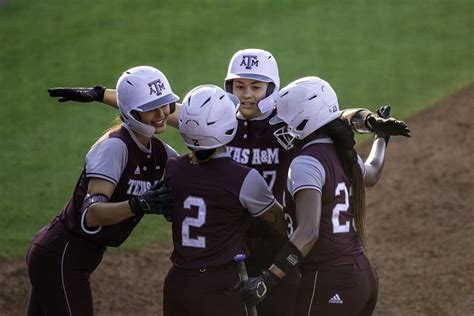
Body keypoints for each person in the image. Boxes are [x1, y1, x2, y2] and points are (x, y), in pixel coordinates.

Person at [47, 49, 410, 316]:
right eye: (239, 85)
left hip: (277, 245)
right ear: (228, 87)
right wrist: (102, 94)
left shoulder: (288, 122)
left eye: (257, 87)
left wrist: (365, 119)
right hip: (233, 245)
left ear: (273, 90)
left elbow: (331, 115)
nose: (247, 94)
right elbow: (158, 110)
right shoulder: (216, 121)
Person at [236, 76, 411, 316]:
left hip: (328, 281)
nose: (283, 127)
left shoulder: (305, 163)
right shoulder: (342, 152)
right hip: (361, 276)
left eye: (286, 121)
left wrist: (269, 277)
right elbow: (371, 174)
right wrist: (381, 138)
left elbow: (308, 232)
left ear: (303, 120)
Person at [26, 66, 178, 315]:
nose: (162, 114)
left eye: (166, 105)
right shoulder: (114, 147)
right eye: (152, 108)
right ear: (132, 111)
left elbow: (189, 176)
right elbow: (92, 214)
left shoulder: (160, 152)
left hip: (73, 256)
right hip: (61, 255)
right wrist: (138, 204)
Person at [162, 84, 287, 316]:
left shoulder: (173, 170)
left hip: (178, 283)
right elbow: (280, 223)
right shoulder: (245, 179)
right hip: (221, 286)